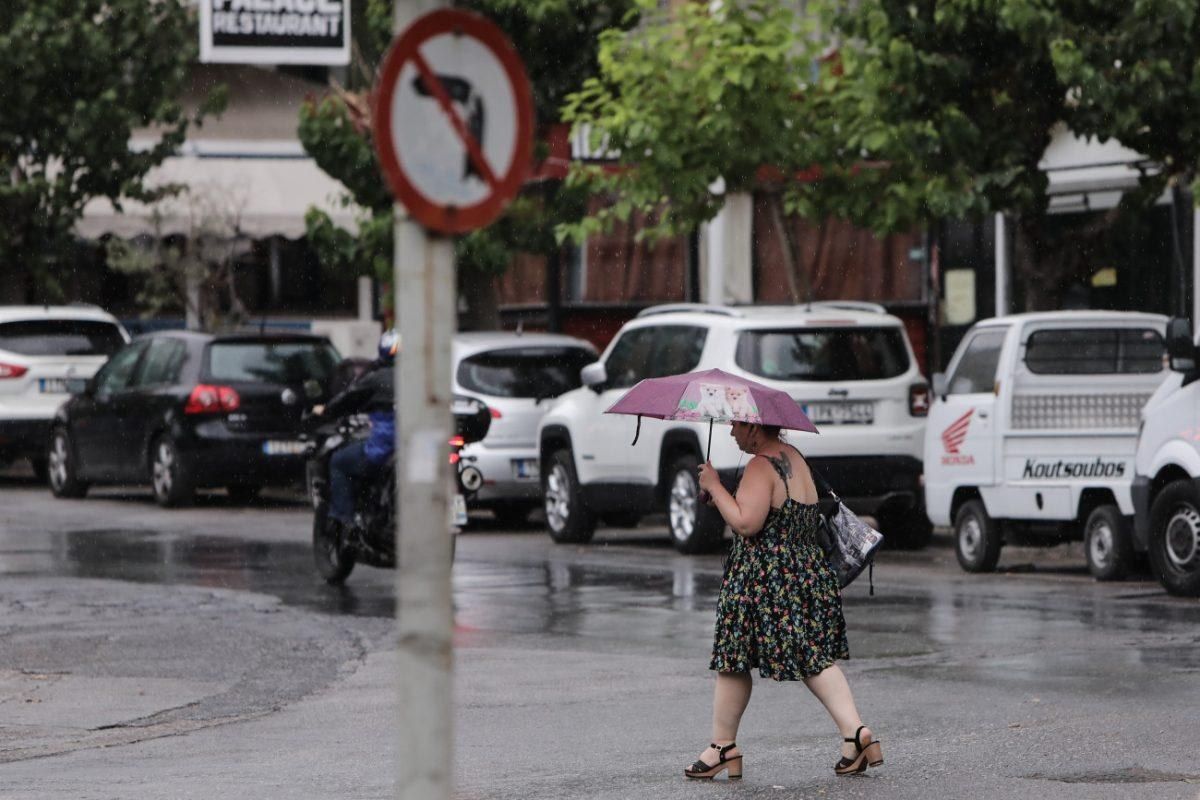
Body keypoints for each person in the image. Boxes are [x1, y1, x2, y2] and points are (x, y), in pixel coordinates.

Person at [686, 421, 882, 781]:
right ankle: (855, 733)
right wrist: (724, 497)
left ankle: (722, 747)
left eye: (736, 424)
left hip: (765, 580)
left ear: (754, 427)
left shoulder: (760, 465)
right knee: (814, 658)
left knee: (734, 657)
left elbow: (747, 524)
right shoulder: (795, 457)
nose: (731, 432)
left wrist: (714, 486)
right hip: (805, 573)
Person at [322, 329, 399, 535]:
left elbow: (347, 399)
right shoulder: (424, 380)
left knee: (339, 462)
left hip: (386, 448)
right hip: (418, 452)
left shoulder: (377, 378)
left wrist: (326, 411)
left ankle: (346, 522)